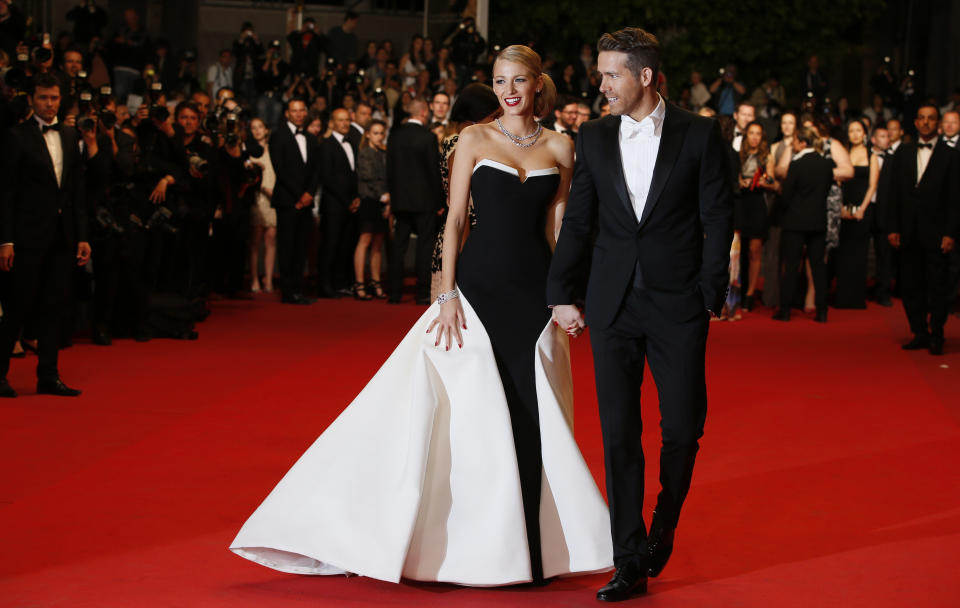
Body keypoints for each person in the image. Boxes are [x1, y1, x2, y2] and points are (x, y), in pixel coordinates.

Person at [230, 43, 613, 586]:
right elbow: (454, 221)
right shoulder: (472, 139)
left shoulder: (562, 147)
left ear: (537, 85)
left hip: (533, 298)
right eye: (500, 80)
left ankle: (530, 550)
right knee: (474, 421)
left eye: (518, 81)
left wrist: (566, 294)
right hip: (476, 293)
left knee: (533, 421)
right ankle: (470, 549)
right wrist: (446, 293)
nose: (508, 90)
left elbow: (557, 230)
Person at [548, 28, 734, 601]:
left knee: (682, 428)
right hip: (611, 305)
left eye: (611, 75)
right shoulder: (595, 136)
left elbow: (718, 217)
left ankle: (663, 526)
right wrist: (562, 292)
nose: (601, 85)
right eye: (601, 74)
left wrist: (710, 292)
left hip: (678, 304)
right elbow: (580, 220)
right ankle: (627, 557)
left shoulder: (700, 134)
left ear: (645, 77)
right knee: (620, 434)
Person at [0, 73, 91, 398]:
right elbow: (6, 193)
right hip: (25, 237)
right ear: (31, 100)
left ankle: (48, 376)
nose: (49, 104)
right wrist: (5, 240)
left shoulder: (69, 136)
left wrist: (82, 236)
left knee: (55, 306)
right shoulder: (16, 137)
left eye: (54, 98)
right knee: (17, 305)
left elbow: (76, 191)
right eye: (43, 98)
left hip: (61, 236)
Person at [886, 105, 960, 355]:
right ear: (915, 123)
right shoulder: (904, 153)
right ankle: (919, 331)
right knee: (911, 284)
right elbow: (894, 192)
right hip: (908, 230)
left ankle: (937, 333)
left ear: (937, 124)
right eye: (922, 118)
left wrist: (950, 233)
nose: (926, 123)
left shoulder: (950, 155)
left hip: (937, 232)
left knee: (938, 285)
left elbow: (954, 198)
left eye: (931, 119)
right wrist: (893, 227)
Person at [429, 83, 501, 301]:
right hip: (463, 243)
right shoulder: (459, 143)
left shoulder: (464, 142)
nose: (497, 122)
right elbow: (460, 210)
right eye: (493, 116)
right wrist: (460, 261)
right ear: (474, 119)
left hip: (474, 242)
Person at [773, 126, 835, 322]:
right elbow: (826, 191)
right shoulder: (826, 164)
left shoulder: (797, 165)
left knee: (791, 266)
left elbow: (786, 196)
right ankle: (822, 311)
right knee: (818, 267)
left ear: (801, 142)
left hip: (795, 222)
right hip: (818, 221)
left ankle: (785, 311)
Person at [386, 98, 444, 304]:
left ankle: (394, 293)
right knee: (424, 246)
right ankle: (422, 293)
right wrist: (440, 201)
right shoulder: (427, 138)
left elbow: (389, 171)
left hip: (401, 201)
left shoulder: (394, 136)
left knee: (398, 246)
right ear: (424, 112)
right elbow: (433, 172)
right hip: (425, 201)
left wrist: (393, 197)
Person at [270, 98, 319, 305]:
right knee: (287, 246)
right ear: (287, 113)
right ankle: (288, 292)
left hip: (306, 201)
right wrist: (299, 195)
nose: (298, 114)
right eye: (294, 111)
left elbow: (316, 169)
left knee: (301, 247)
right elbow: (280, 170)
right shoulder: (278, 136)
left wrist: (309, 193)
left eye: (302, 110)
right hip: (287, 200)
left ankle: (299, 289)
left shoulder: (310, 137)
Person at [318, 108, 360, 298]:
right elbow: (327, 178)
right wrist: (347, 201)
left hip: (352, 204)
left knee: (346, 245)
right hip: (334, 205)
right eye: (340, 120)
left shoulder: (353, 142)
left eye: (346, 120)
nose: (344, 123)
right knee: (330, 246)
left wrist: (356, 198)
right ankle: (325, 285)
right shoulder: (326, 145)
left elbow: (354, 174)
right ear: (332, 123)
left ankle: (341, 283)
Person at [735, 121, 774, 310]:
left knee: (754, 250)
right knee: (740, 251)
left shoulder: (767, 156)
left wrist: (763, 182)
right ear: (746, 135)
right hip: (742, 203)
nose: (755, 137)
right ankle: (739, 292)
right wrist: (740, 181)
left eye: (758, 134)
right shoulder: (739, 155)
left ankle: (750, 294)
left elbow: (773, 182)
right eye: (751, 133)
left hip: (758, 203)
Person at [835, 119, 872, 308]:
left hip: (862, 208)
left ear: (865, 133)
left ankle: (856, 298)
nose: (855, 134)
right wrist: (840, 207)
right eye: (851, 131)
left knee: (859, 253)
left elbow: (873, 185)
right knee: (843, 253)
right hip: (843, 206)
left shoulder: (871, 154)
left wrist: (862, 209)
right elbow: (838, 182)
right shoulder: (844, 153)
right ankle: (842, 297)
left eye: (859, 130)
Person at [353, 119, 390, 299]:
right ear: (367, 134)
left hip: (382, 201)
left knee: (377, 243)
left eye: (381, 133)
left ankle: (375, 282)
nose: (379, 136)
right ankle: (359, 284)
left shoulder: (382, 152)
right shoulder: (365, 153)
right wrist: (384, 194)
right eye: (375, 133)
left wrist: (387, 197)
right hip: (369, 200)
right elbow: (368, 177)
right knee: (365, 240)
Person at [247, 118, 277, 294]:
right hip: (258, 197)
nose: (257, 131)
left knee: (271, 239)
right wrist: (263, 188)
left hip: (274, 198)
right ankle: (254, 279)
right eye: (253, 128)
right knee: (256, 241)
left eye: (260, 127)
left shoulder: (274, 149)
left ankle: (269, 279)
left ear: (266, 130)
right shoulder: (249, 151)